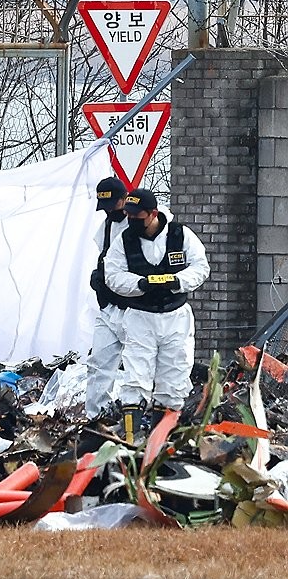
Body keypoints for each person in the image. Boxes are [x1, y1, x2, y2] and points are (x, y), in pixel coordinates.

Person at [104, 188, 210, 443]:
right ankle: (130, 440)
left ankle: (162, 441)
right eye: (128, 215)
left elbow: (200, 266)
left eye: (137, 216)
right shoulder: (124, 240)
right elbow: (113, 274)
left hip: (176, 316)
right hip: (141, 316)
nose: (131, 221)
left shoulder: (180, 235)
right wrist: (140, 284)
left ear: (153, 214)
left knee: (174, 377)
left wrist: (176, 281)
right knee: (135, 377)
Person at [84, 176, 129, 420]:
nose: (110, 210)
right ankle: (96, 418)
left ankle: (144, 421)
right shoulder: (107, 226)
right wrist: (98, 277)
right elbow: (105, 257)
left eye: (114, 204)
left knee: (140, 371)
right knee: (98, 364)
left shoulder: (136, 226)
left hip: (134, 310)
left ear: (124, 199)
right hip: (109, 307)